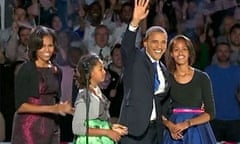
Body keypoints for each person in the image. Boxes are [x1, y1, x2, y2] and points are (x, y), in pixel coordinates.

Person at [118, 0, 170, 143]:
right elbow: (126, 47)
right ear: (145, 43)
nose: (159, 46)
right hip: (133, 131)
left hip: (154, 131)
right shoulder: (135, 59)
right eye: (155, 42)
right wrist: (135, 21)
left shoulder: (164, 70)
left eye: (163, 42)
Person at [11, 25, 74, 144]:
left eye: (50, 45)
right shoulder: (26, 69)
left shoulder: (56, 70)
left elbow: (54, 99)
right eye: (42, 46)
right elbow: (21, 106)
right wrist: (53, 109)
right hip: (28, 128)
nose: (47, 50)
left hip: (51, 127)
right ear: (35, 47)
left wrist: (68, 109)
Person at [162, 34, 216, 143]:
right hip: (175, 129)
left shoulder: (202, 77)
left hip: (198, 129)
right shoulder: (166, 78)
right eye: (176, 49)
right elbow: (160, 111)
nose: (180, 53)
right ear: (171, 54)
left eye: (184, 49)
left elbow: (211, 113)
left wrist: (188, 123)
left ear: (189, 52)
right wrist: (170, 126)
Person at [72, 54, 128, 144]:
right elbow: (77, 128)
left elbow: (98, 123)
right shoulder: (84, 97)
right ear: (90, 73)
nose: (104, 72)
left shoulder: (98, 92)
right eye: (100, 69)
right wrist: (107, 132)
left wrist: (111, 127)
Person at [205, 42, 240, 143]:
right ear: (216, 53)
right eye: (220, 51)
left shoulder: (237, 71)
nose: (223, 53)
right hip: (214, 119)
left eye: (226, 51)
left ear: (230, 53)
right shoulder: (209, 71)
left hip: (234, 119)